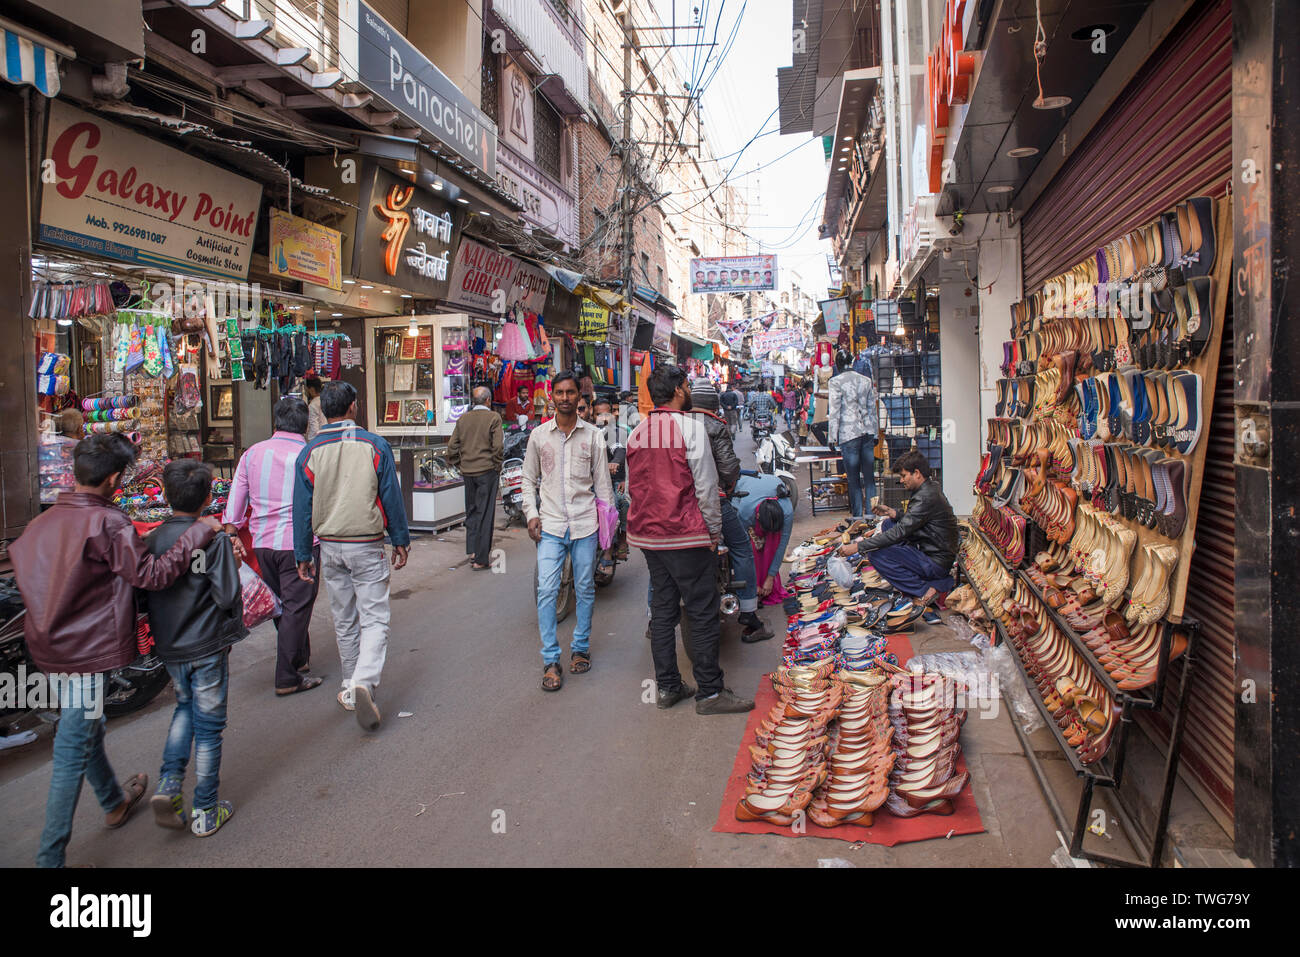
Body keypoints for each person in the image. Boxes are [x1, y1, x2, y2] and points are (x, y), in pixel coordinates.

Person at [10, 433, 222, 867]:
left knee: (86, 726)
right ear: (113, 479)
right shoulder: (107, 523)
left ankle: (113, 800)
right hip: (85, 650)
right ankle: (49, 858)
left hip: (47, 644)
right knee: (73, 743)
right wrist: (197, 532)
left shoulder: (41, 523)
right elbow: (155, 574)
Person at [627, 365, 753, 715]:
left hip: (650, 538)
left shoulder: (638, 433)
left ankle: (668, 687)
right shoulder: (691, 430)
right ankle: (710, 692)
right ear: (680, 390)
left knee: (664, 611)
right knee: (700, 611)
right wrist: (713, 532)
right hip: (684, 534)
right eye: (685, 385)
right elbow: (706, 488)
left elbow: (633, 487)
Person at [293, 381, 410, 731]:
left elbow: (301, 508)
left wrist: (303, 552)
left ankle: (349, 683)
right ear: (354, 407)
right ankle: (365, 680)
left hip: (329, 546)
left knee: (343, 616)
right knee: (374, 618)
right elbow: (390, 494)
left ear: (323, 412)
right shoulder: (374, 445)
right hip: (366, 544)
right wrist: (401, 539)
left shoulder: (310, 451)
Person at [143, 460, 246, 837]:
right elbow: (227, 595)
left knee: (183, 707)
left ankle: (170, 783)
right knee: (209, 727)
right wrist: (232, 564)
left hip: (171, 646)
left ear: (166, 496)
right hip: (206, 643)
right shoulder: (213, 539)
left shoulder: (152, 540)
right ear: (207, 498)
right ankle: (205, 807)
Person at [222, 396, 323, 697]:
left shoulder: (253, 454)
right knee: (296, 606)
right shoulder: (308, 454)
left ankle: (299, 658)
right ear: (305, 424)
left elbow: (236, 495)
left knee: (282, 604)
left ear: (276, 422)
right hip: (299, 543)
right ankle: (287, 676)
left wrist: (231, 532)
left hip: (263, 543)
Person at [522, 371, 614, 692]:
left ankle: (580, 647)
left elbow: (603, 487)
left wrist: (608, 532)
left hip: (585, 524)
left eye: (570, 392)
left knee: (585, 588)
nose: (564, 398)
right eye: (559, 393)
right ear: (553, 396)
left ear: (579, 397)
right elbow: (527, 480)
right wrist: (531, 513)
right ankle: (550, 658)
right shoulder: (538, 436)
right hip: (549, 525)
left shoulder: (593, 437)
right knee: (546, 591)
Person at [688, 379, 773, 643]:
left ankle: (653, 617)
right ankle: (748, 614)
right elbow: (728, 469)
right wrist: (729, 482)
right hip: (715, 501)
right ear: (714, 404)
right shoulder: (716, 425)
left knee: (666, 554)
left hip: (681, 504)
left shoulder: (675, 425)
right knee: (741, 548)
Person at [837, 450, 959, 606]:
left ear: (916, 473)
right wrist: (892, 513)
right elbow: (915, 520)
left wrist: (858, 547)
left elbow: (899, 533)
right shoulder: (929, 488)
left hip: (936, 562)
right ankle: (919, 577)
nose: (901, 481)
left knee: (877, 554)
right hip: (934, 550)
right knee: (888, 524)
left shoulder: (925, 497)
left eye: (903, 476)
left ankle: (924, 590)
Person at [446, 386, 504, 571]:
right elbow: (498, 447)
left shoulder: (463, 419)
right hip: (487, 471)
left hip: (468, 472)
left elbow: (452, 447)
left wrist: (459, 463)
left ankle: (472, 551)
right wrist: (496, 465)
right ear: (488, 400)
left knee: (471, 512)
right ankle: (480, 558)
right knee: (485, 513)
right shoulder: (493, 418)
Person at [828, 353, 880, 519]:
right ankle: (872, 514)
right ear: (852, 362)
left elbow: (835, 411)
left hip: (848, 433)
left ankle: (858, 517)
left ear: (837, 364)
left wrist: (831, 437)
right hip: (867, 432)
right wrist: (876, 431)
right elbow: (872, 409)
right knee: (870, 478)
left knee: (853, 479)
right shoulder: (865, 381)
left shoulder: (835, 382)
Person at [734, 473, 795, 608]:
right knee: (750, 547)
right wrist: (751, 583)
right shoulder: (744, 512)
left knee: (772, 544)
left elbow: (781, 547)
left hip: (766, 486)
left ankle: (764, 582)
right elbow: (741, 550)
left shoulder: (787, 512)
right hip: (743, 490)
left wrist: (770, 577)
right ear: (757, 516)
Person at [303, 375, 326, 440]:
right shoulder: (325, 401)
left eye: (306, 389)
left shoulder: (313, 405)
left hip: (317, 440)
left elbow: (314, 428)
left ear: (312, 390)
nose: (305, 392)